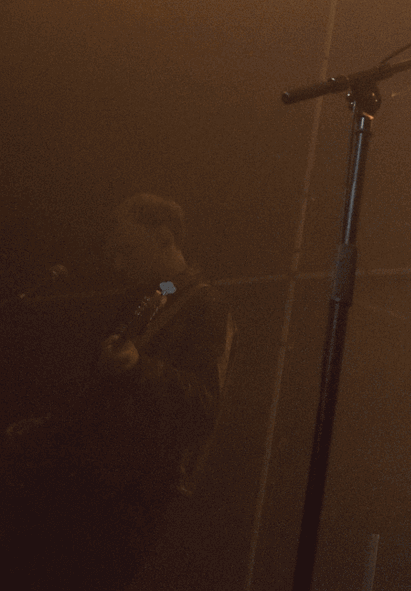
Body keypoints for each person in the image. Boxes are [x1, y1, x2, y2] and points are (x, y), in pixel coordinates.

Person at [0, 193, 236, 591]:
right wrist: (49, 429)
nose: (117, 264)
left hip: (131, 498)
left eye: (126, 250)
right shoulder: (161, 292)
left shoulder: (206, 305)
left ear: (164, 237)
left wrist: (138, 367)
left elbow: (203, 405)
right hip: (97, 485)